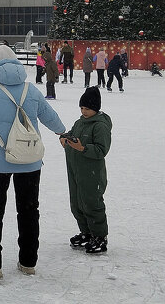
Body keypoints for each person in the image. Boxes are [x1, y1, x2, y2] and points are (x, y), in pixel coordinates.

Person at [0, 45, 65, 282]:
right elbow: (49, 116)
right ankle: (28, 262)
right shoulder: (31, 89)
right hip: (30, 161)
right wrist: (64, 132)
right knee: (29, 211)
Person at [62, 87, 113, 255]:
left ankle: (99, 237)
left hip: (91, 173)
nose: (84, 111)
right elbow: (72, 134)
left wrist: (83, 147)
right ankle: (87, 232)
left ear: (95, 109)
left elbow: (101, 150)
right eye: (82, 108)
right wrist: (65, 138)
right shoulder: (79, 122)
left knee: (92, 204)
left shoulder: (100, 126)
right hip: (76, 171)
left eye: (87, 109)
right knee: (77, 204)